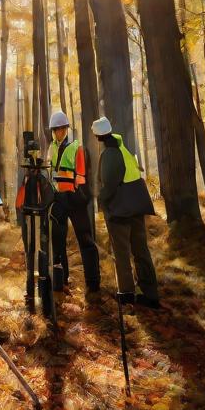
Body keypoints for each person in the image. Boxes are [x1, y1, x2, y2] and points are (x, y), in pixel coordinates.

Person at [92, 117, 160, 309]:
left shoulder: (110, 154)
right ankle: (151, 293)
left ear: (98, 136)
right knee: (141, 251)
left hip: (120, 211)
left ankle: (127, 294)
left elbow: (110, 185)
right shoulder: (123, 149)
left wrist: (101, 199)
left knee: (121, 253)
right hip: (136, 207)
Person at [47, 110, 101, 295]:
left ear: (67, 129)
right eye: (55, 130)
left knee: (85, 240)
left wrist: (80, 195)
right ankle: (62, 281)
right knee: (58, 242)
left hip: (76, 199)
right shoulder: (51, 147)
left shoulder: (76, 147)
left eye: (61, 129)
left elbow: (81, 176)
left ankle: (93, 283)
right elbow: (51, 172)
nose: (58, 132)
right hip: (59, 200)